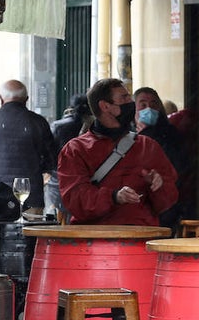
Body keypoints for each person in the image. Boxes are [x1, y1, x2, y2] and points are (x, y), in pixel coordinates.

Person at [58, 78, 178, 226]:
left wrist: (158, 186)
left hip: (140, 237)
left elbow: (168, 201)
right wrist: (113, 197)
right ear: (105, 106)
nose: (131, 102)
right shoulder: (75, 150)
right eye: (124, 97)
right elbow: (75, 200)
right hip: (93, 239)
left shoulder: (148, 146)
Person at [0, 79, 59, 215]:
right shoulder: (39, 122)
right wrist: (40, 172)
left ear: (0, 99)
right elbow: (51, 158)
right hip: (31, 196)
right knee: (29, 234)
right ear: (26, 99)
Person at [133, 86, 187, 230]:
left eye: (153, 104)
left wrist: (147, 133)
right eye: (143, 105)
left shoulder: (171, 134)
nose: (148, 108)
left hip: (164, 205)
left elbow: (173, 165)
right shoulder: (126, 135)